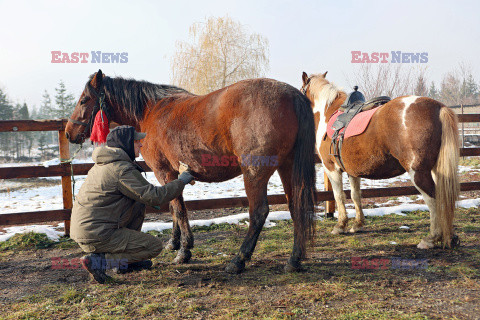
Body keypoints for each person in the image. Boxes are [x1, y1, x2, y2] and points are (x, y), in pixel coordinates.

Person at [70, 125, 194, 284]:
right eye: (136, 142)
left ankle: (127, 263)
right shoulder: (121, 169)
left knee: (137, 204)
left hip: (89, 230)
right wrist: (182, 180)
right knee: (153, 247)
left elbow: (145, 196)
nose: (141, 145)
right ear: (125, 144)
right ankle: (99, 262)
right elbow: (155, 197)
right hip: (98, 234)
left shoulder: (105, 164)